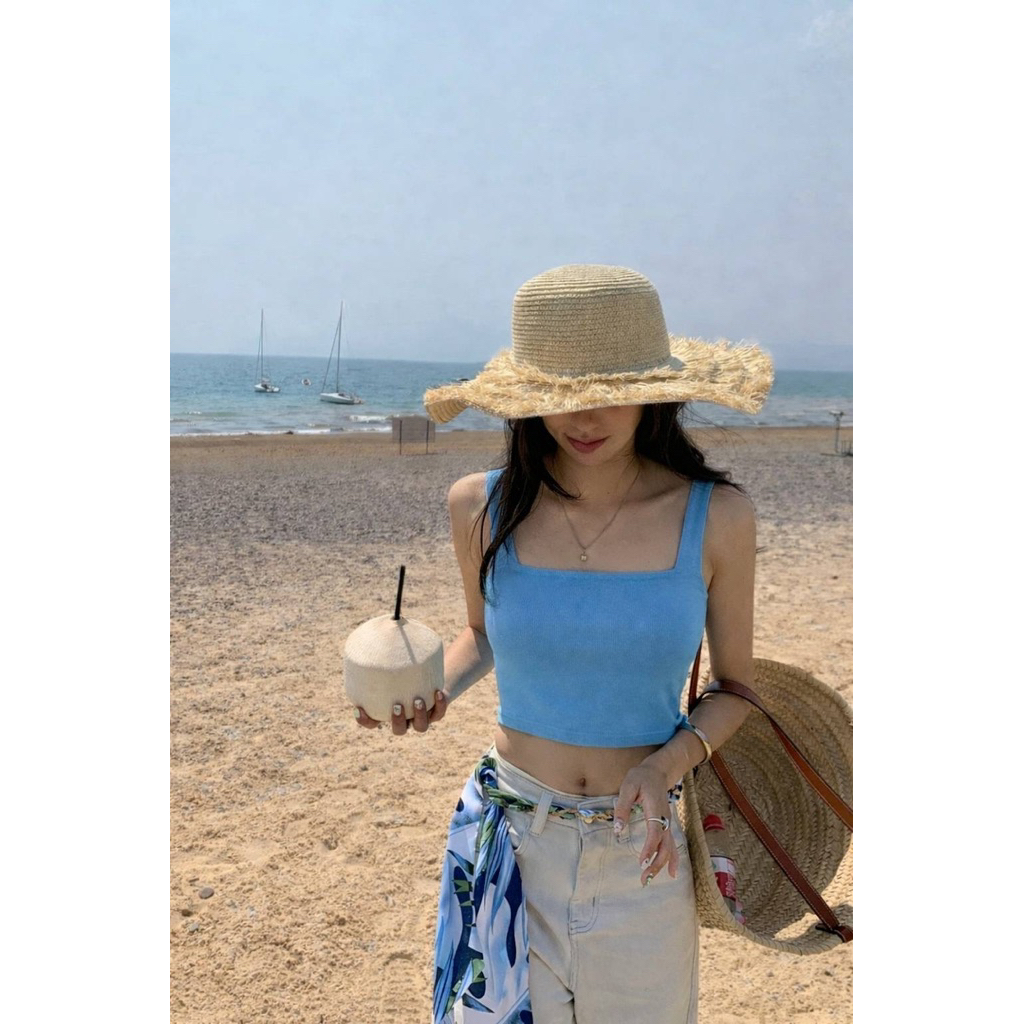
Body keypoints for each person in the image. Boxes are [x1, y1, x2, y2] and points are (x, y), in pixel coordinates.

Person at [354, 264, 774, 1023]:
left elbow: (736, 689)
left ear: (653, 391)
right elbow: (482, 634)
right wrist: (431, 688)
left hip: (642, 850)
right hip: (508, 840)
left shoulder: (718, 516)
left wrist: (665, 764)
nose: (583, 417)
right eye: (558, 395)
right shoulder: (480, 505)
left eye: (609, 390)